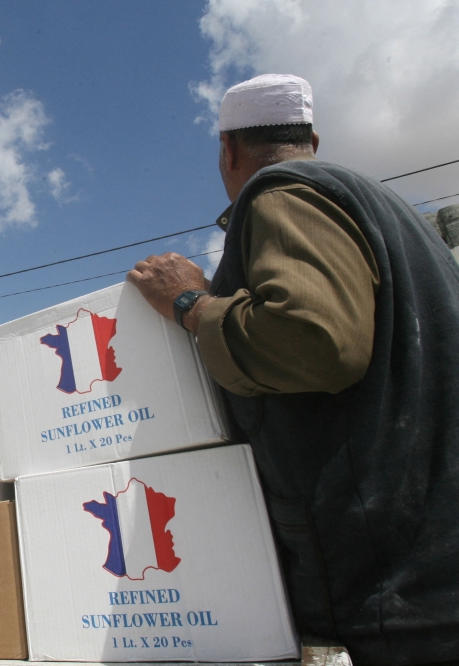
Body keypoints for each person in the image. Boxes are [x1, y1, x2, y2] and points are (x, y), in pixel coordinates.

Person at [127, 74, 459, 666]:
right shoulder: (389, 212)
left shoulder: (281, 191)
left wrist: (191, 305)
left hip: (389, 588)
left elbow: (315, 339)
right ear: (312, 136)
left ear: (228, 150)